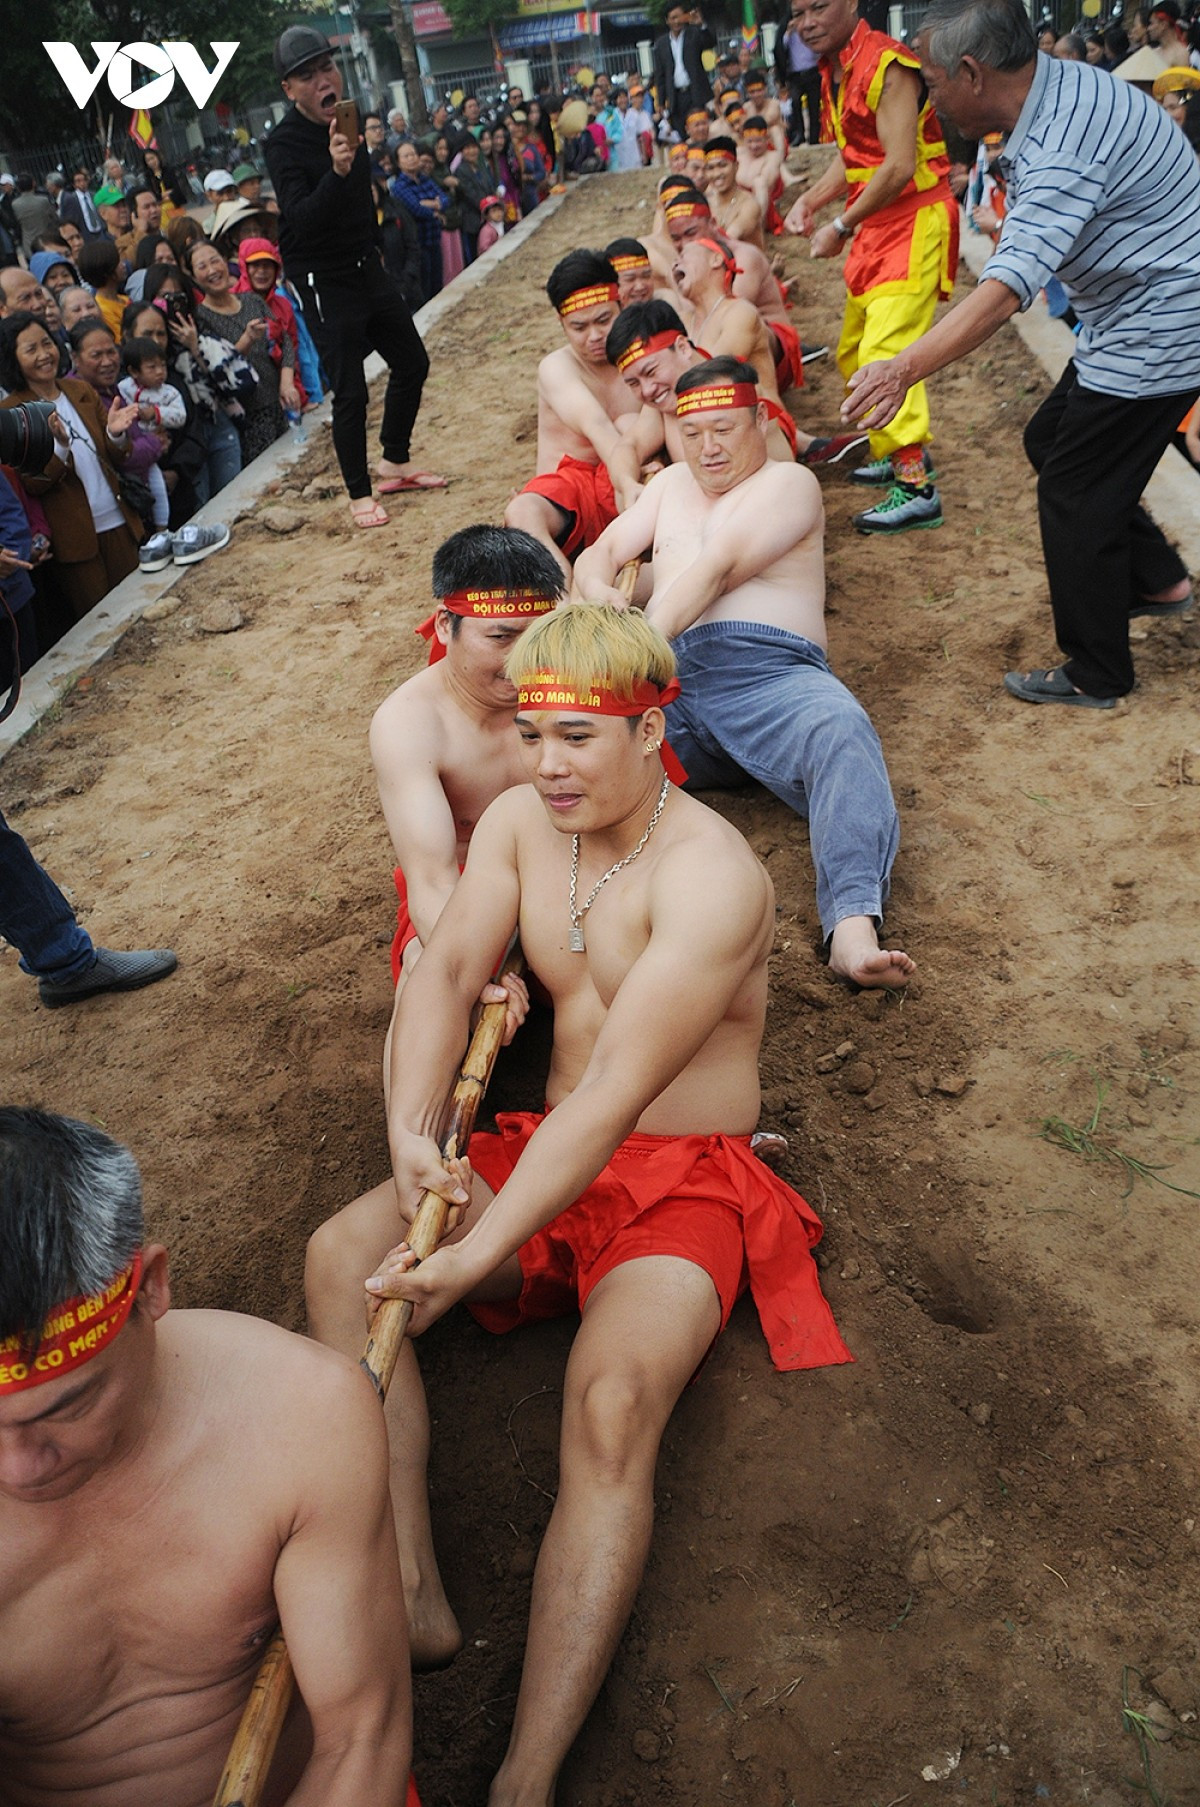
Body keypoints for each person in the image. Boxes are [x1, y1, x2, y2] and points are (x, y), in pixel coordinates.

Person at [305, 603, 851, 1799]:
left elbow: (610, 1094)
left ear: (653, 732)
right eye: (534, 732)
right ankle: (407, 1590)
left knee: (609, 1408)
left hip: (677, 1181)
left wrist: (472, 1250)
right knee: (344, 1256)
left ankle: (527, 1773)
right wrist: (409, 1132)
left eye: (578, 740)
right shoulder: (517, 821)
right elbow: (446, 969)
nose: (547, 764)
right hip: (544, 1147)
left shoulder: (713, 876)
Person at [0, 1108, 415, 1802]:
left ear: (152, 1288)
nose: (17, 1469)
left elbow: (361, 1736)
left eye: (66, 1407)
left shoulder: (301, 1416)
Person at [843, 0, 1200, 708]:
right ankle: (1158, 579)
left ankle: (1098, 670)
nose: (930, 102)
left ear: (973, 73)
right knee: (1051, 438)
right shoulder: (1053, 90)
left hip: (1162, 320)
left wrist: (901, 368)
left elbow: (1007, 289)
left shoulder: (1064, 139)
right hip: (1134, 308)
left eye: (935, 85)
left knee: (1073, 486)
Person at [574, 357, 911, 989]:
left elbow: (718, 569)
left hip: (769, 677)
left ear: (760, 418)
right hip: (673, 687)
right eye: (693, 433)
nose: (708, 449)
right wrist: (598, 588)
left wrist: (635, 645)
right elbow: (602, 552)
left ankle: (852, 925)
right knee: (570, 749)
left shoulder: (788, 484)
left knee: (841, 728)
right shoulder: (672, 485)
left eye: (724, 429)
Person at [782, 0, 958, 535]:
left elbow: (900, 163)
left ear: (852, 4)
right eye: (798, 13)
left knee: (886, 352)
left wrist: (841, 225)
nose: (807, 21)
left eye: (819, 7)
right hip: (879, 225)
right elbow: (856, 153)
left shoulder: (887, 63)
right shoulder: (837, 66)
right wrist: (812, 200)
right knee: (854, 349)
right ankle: (894, 448)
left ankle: (915, 486)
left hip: (911, 219)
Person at [371, 523, 565, 994]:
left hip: (574, 889)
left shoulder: (575, 686)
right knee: (427, 975)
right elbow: (433, 881)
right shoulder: (409, 722)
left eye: (536, 636)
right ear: (445, 625)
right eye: (500, 638)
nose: (522, 660)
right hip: (468, 901)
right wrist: (477, 975)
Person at [264, 26, 445, 528]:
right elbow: (301, 218)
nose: (323, 80)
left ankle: (395, 458)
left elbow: (361, 204)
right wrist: (337, 171)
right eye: (308, 75)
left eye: (327, 67)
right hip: (321, 276)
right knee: (351, 388)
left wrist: (374, 252)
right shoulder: (282, 145)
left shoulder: (349, 124)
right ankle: (360, 493)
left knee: (412, 360)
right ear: (289, 88)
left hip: (364, 264)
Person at [502, 251, 643, 574]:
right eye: (579, 326)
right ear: (561, 323)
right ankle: (564, 604)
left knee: (631, 423)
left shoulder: (641, 355)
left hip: (629, 484)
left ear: (620, 302)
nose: (594, 336)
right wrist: (629, 483)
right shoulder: (557, 366)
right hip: (570, 494)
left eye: (604, 320)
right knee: (523, 512)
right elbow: (596, 426)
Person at [0, 312, 142, 619]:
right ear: (13, 358)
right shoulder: (11, 411)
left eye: (47, 344)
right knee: (102, 625)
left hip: (119, 519)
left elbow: (117, 454)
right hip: (76, 541)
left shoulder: (79, 390)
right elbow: (33, 482)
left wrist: (115, 435)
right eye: (31, 349)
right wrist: (60, 447)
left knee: (140, 608)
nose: (43, 355)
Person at [190, 238, 292, 465]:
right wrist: (245, 341)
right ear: (193, 276)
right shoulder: (200, 318)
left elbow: (283, 340)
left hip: (279, 404)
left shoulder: (252, 300)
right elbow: (217, 371)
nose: (212, 270)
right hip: (247, 417)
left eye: (215, 261)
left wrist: (287, 382)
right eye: (202, 266)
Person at [117, 335, 188, 567]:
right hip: (133, 449)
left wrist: (155, 414)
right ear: (134, 371)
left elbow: (180, 416)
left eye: (162, 366)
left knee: (157, 488)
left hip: (157, 453)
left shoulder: (169, 393)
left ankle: (162, 530)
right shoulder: (123, 388)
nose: (160, 372)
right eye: (151, 367)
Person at [653, 3, 718, 140]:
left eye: (679, 17)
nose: (677, 21)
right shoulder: (661, 44)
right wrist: (660, 101)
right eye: (673, 18)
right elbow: (660, 75)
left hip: (696, 93)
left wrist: (701, 25)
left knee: (701, 129)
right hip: (676, 97)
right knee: (682, 134)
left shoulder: (693, 34)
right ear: (667, 20)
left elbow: (710, 42)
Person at [778, 0, 824, 144]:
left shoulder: (811, 28)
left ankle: (814, 137)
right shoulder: (789, 31)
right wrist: (789, 31)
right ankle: (799, 134)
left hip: (813, 71)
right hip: (796, 75)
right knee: (795, 103)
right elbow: (781, 47)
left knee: (814, 106)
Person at [58, 167, 106, 242]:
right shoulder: (71, 199)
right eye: (78, 181)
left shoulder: (94, 195)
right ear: (74, 184)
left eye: (84, 180)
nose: (82, 183)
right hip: (85, 233)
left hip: (100, 231)